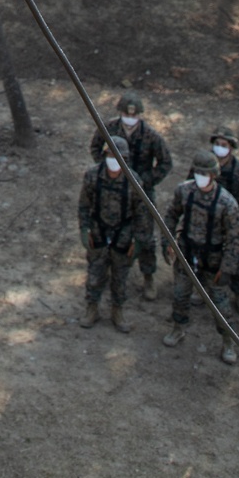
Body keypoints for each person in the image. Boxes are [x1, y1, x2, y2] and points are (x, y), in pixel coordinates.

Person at [162, 149, 239, 364]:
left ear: (214, 175)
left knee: (220, 305)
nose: (200, 177)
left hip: (213, 261)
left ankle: (228, 341)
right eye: (197, 172)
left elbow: (234, 240)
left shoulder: (228, 204)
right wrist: (167, 241)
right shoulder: (184, 192)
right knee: (180, 295)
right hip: (186, 255)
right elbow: (170, 216)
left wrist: (227, 269)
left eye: (204, 173)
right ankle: (178, 328)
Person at [89, 91, 171, 300]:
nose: (130, 117)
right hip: (114, 192)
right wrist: (107, 171)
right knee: (109, 231)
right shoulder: (109, 129)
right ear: (120, 112)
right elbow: (95, 147)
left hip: (141, 192)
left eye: (134, 115)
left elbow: (165, 163)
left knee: (145, 237)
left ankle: (148, 277)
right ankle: (107, 272)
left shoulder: (151, 135)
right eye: (126, 113)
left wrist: (146, 180)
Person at [77, 136, 151, 333]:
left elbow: (142, 214)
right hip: (99, 232)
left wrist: (138, 240)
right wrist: (85, 230)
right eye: (109, 154)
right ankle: (92, 308)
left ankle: (117, 312)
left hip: (123, 235)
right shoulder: (93, 176)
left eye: (117, 155)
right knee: (95, 273)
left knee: (120, 276)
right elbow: (84, 205)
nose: (113, 159)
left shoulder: (134, 181)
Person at [201, 125, 239, 317]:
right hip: (205, 221)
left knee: (234, 260)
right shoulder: (203, 166)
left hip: (231, 224)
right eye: (217, 144)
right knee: (202, 256)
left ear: (231, 147)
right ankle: (201, 288)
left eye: (224, 144)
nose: (220, 148)